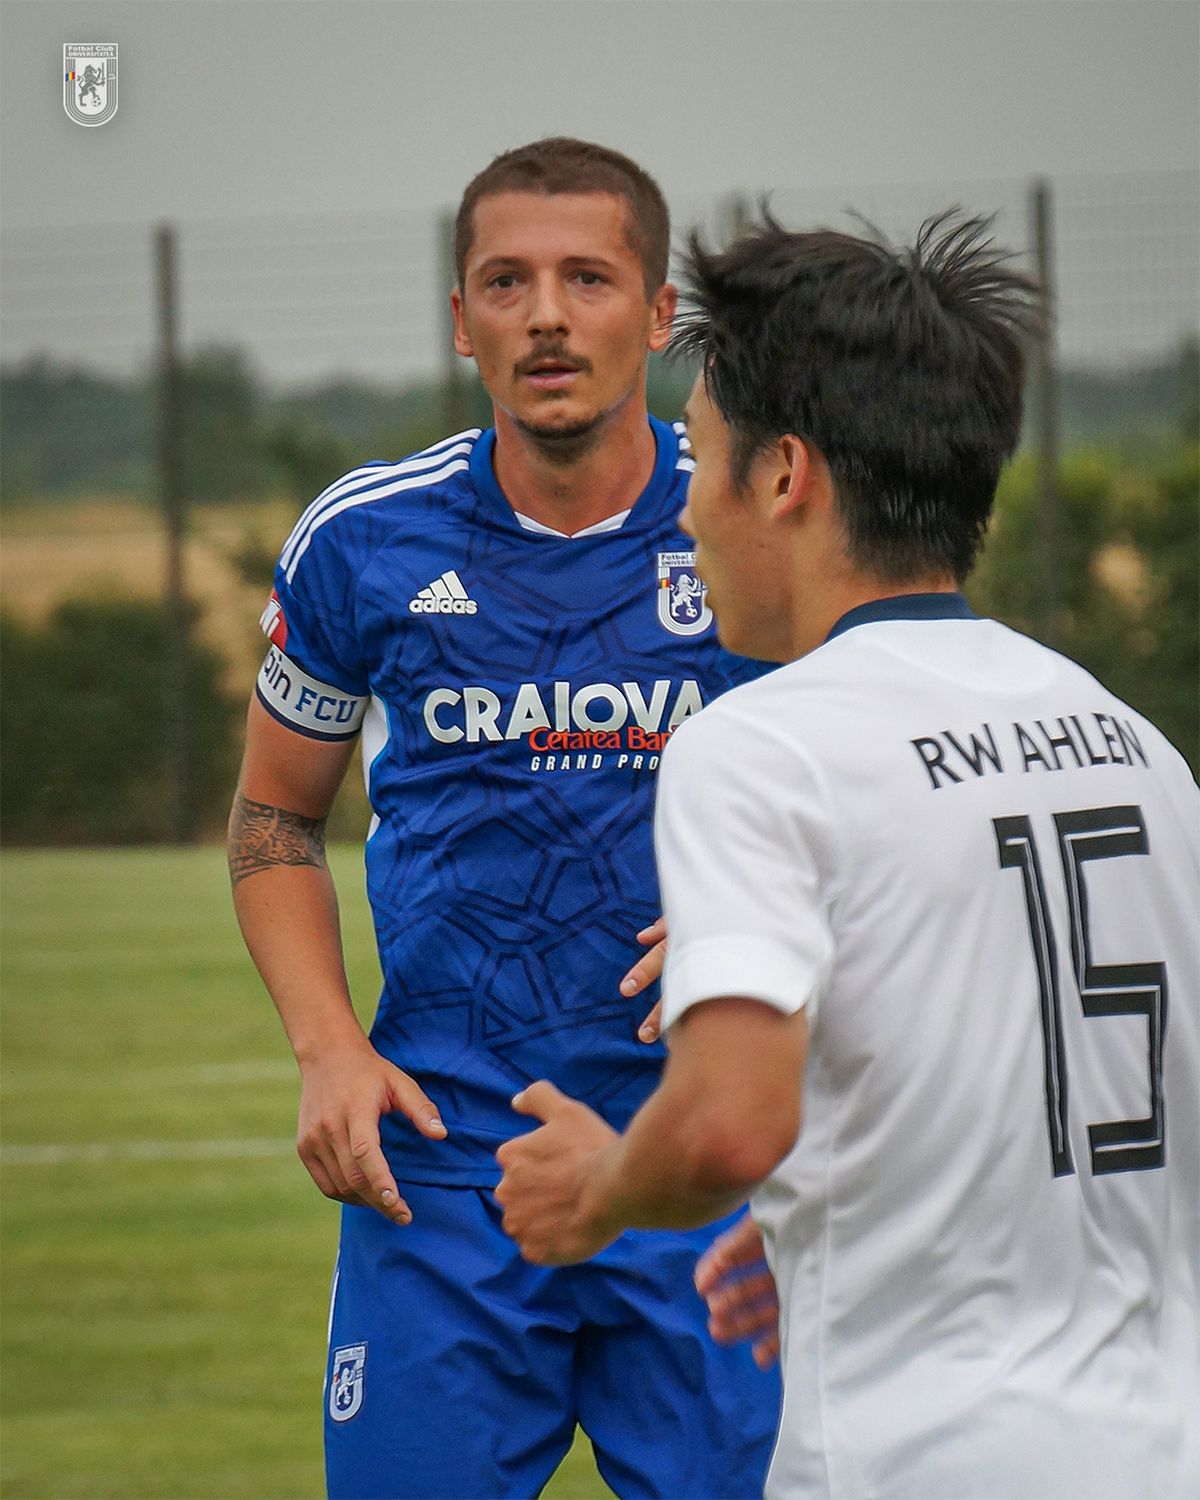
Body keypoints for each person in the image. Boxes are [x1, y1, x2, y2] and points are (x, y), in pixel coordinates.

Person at [495, 212, 1200, 1499]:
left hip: (912, 1460)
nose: (686, 511)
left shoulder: (762, 746)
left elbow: (725, 1122)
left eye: (697, 460)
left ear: (785, 477)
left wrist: (596, 1190)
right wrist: (870, 1227)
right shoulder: (1135, 746)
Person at [227, 137, 779, 1500]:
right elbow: (271, 824)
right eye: (506, 280)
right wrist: (328, 1049)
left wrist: (767, 919)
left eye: (589, 278)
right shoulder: (366, 540)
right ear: (459, 314)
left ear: (658, 317)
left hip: (699, 1165)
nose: (545, 314)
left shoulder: (756, 532)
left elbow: (866, 813)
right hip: (442, 1172)